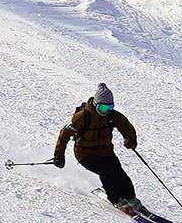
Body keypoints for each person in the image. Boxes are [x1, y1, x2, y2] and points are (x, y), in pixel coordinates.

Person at [53, 83, 147, 214]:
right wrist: (59, 155)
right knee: (107, 171)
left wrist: (130, 139)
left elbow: (126, 127)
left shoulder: (112, 116)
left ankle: (131, 198)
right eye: (103, 107)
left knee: (119, 173)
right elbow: (64, 134)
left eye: (110, 107)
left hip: (106, 152)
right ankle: (116, 199)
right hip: (85, 154)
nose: (106, 111)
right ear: (95, 104)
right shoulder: (82, 118)